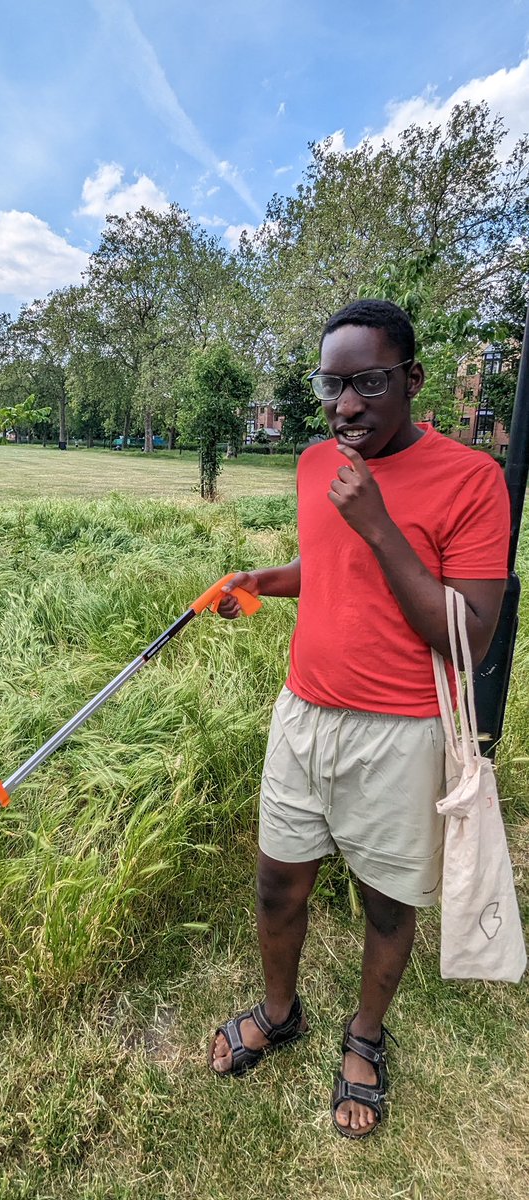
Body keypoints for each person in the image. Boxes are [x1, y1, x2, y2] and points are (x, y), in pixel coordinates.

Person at [208, 300, 510, 1138]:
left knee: (385, 904)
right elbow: (327, 562)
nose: (345, 406)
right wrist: (266, 578)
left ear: (410, 380)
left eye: (367, 383)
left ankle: (366, 1036)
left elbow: (471, 634)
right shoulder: (315, 465)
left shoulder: (471, 480)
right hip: (302, 715)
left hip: (403, 731)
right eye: (332, 386)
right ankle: (279, 1010)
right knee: (277, 881)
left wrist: (376, 521)